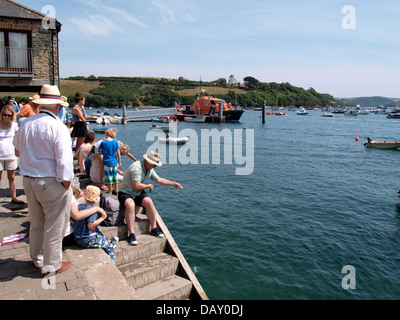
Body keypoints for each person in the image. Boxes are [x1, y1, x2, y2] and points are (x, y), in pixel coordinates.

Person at [13, 84, 73, 275]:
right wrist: (66, 185)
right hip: (50, 181)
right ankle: (52, 265)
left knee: (36, 223)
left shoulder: (26, 124)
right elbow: (64, 162)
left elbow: (16, 150)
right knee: (55, 226)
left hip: (28, 180)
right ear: (59, 107)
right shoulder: (58, 127)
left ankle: (37, 259)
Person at [118, 151, 183, 246]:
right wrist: (148, 185)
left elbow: (159, 180)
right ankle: (131, 234)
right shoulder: (136, 168)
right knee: (130, 204)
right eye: (154, 164)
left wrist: (173, 184)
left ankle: (154, 228)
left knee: (149, 201)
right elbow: (136, 186)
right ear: (147, 161)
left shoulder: (149, 169)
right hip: (126, 192)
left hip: (137, 192)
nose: (155, 166)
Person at [73, 185, 115, 263]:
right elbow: (91, 225)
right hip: (87, 239)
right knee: (109, 247)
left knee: (98, 232)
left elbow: (72, 221)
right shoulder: (92, 211)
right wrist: (102, 218)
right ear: (96, 200)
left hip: (77, 237)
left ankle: (108, 240)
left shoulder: (78, 207)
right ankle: (112, 263)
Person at [0, 105, 25, 205]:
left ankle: (14, 197)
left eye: (9, 115)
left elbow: (20, 137)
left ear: (12, 116)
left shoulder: (14, 125)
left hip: (10, 155)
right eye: (4, 115)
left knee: (12, 177)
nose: (6, 117)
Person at [99, 128, 121, 195]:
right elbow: (118, 153)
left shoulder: (103, 142)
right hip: (114, 162)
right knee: (115, 177)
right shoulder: (115, 142)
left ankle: (110, 191)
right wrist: (119, 162)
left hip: (107, 162)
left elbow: (100, 149)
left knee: (109, 177)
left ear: (106, 134)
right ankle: (116, 190)